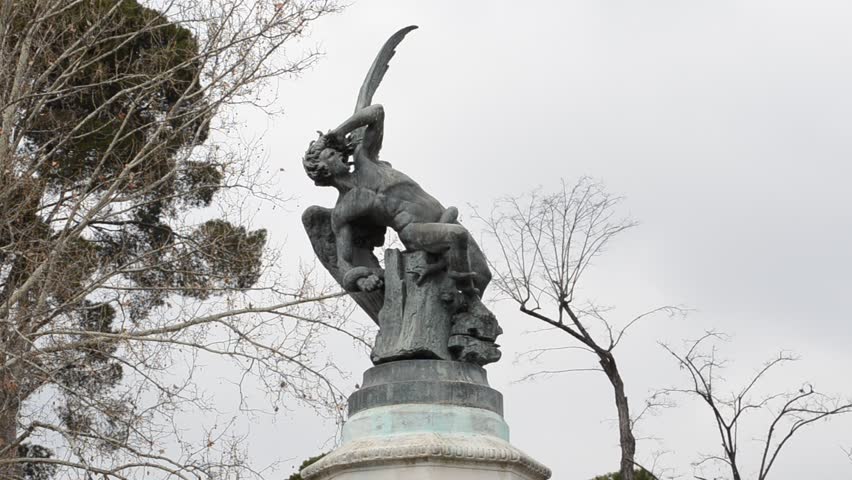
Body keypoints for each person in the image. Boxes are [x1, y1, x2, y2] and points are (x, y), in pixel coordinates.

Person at [302, 103, 490, 296]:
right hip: (416, 231)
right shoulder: (343, 210)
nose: (340, 153)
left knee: (483, 275)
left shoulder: (365, 159)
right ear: (324, 170)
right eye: (332, 154)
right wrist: (361, 279)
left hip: (440, 216)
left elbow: (377, 112)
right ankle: (468, 297)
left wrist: (340, 131)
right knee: (457, 236)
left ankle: (464, 305)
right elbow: (344, 262)